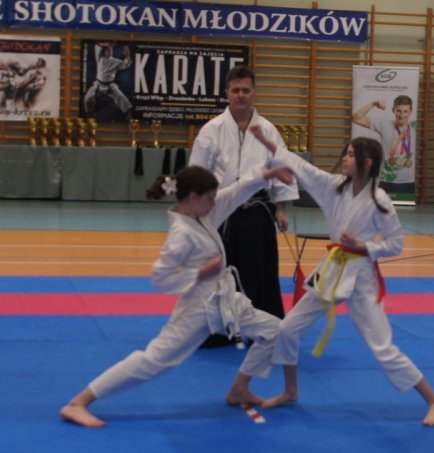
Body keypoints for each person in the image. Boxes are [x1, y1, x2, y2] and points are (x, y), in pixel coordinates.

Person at [60, 164, 294, 428]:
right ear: (193, 197)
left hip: (226, 301)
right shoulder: (181, 234)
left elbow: (235, 193)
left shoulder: (203, 214)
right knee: (154, 360)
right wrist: (200, 273)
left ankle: (239, 389)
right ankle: (78, 402)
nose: (215, 202)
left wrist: (266, 175)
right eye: (210, 197)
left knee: (275, 331)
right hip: (198, 308)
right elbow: (161, 277)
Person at [251, 125, 434, 426]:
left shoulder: (380, 201)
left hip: (362, 277)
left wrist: (364, 246)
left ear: (367, 162)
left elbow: (395, 244)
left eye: (352, 154)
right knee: (288, 329)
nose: (345, 158)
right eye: (347, 153)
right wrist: (267, 142)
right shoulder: (334, 188)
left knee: (382, 348)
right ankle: (290, 390)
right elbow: (303, 167)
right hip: (332, 270)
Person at [189, 65, 299, 347]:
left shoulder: (268, 130)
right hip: (221, 212)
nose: (241, 95)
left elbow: (282, 167)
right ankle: (219, 330)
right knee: (219, 272)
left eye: (246, 90)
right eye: (236, 90)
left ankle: (261, 328)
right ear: (227, 93)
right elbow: (196, 172)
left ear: (254, 93)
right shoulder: (211, 130)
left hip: (257, 210)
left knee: (259, 272)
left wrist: (282, 208)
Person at [352, 95, 416, 193]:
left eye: (405, 111)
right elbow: (356, 118)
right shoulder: (385, 124)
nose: (401, 115)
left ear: (411, 111)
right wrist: (373, 104)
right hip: (386, 180)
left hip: (408, 181)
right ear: (393, 110)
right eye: (398, 111)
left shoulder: (414, 127)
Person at [83, 42, 133, 120]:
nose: (109, 52)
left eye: (111, 50)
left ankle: (127, 113)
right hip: (98, 83)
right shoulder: (100, 58)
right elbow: (97, 45)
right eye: (107, 50)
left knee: (121, 97)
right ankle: (90, 114)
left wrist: (127, 54)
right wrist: (108, 45)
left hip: (110, 85)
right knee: (87, 98)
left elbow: (126, 64)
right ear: (104, 51)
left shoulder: (116, 61)